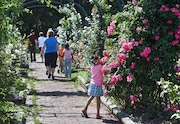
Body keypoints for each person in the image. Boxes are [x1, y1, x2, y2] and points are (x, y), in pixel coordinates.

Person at [81, 55, 103, 119]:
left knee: (92, 97)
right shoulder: (99, 67)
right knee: (98, 99)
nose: (100, 60)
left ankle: (85, 109)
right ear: (96, 60)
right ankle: (97, 114)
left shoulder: (92, 66)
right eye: (99, 59)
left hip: (93, 83)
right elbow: (103, 72)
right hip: (98, 84)